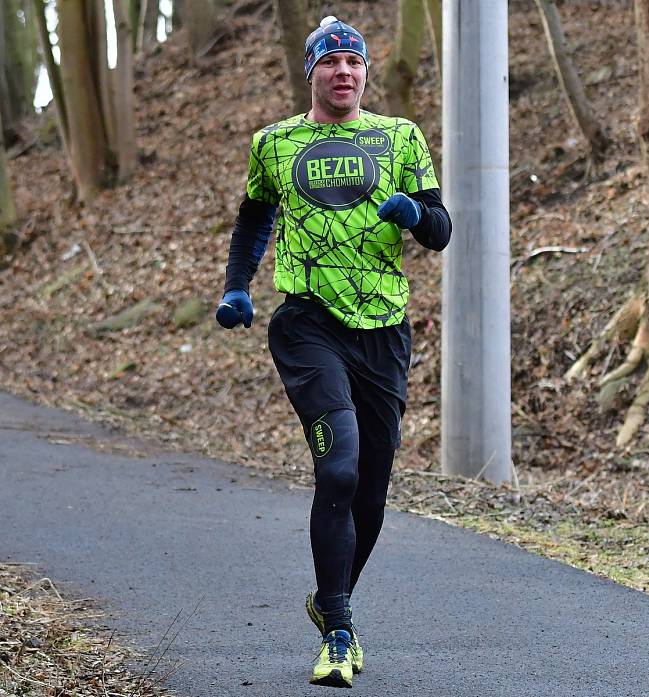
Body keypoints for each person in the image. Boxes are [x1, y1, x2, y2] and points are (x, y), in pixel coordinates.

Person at [216, 15, 451, 688]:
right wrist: (237, 287)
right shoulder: (276, 142)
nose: (343, 71)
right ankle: (341, 629)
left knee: (372, 490)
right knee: (340, 469)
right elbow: (254, 217)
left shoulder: (400, 137)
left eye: (354, 63)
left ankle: (328, 596)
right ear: (311, 72)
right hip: (306, 323)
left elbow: (441, 228)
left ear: (366, 74)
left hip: (384, 329)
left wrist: (414, 213)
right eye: (331, 62)